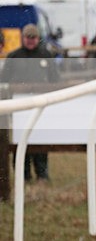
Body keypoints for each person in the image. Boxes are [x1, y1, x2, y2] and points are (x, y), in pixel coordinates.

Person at [0, 23, 60, 182]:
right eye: (28, 37)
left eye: (34, 38)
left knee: (40, 140)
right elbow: (4, 81)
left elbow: (55, 79)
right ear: (22, 38)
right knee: (20, 141)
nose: (31, 41)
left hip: (40, 104)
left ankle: (42, 173)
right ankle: (23, 174)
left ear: (38, 38)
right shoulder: (13, 56)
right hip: (19, 106)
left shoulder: (45, 55)